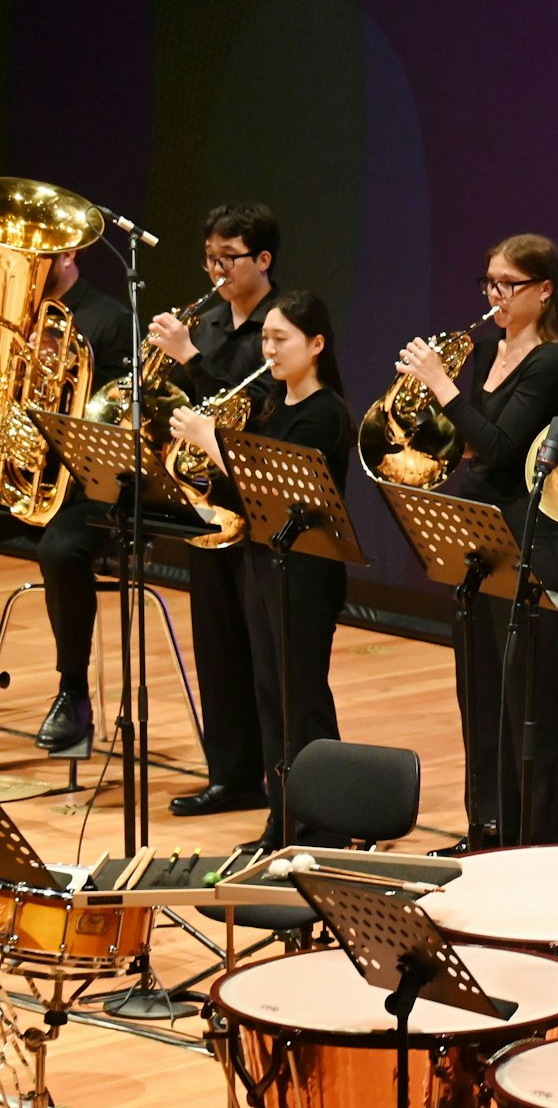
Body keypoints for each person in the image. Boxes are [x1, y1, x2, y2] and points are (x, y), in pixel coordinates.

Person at [400, 233, 558, 848]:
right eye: (490, 283)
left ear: (544, 290)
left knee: (527, 705)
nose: (495, 296)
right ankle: (488, 830)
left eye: (509, 285)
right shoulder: (486, 349)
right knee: (478, 693)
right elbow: (469, 442)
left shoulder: (554, 361)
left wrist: (444, 389)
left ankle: (541, 842)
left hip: (527, 536)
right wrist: (422, 418)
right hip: (475, 537)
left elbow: (502, 451)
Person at [169, 291, 352, 851]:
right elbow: (242, 490)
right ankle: (284, 819)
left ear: (316, 345)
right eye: (266, 338)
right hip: (262, 562)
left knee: (303, 702)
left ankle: (327, 819)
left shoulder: (324, 414)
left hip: (307, 575)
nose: (269, 349)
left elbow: (269, 486)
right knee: (272, 698)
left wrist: (212, 442)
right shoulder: (273, 404)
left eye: (281, 339)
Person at [147, 205, 282, 817]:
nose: (216, 270)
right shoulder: (210, 324)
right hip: (207, 507)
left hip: (258, 507)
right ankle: (231, 775)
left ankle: (280, 777)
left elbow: (243, 410)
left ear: (262, 260)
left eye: (228, 258)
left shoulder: (279, 330)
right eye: (210, 258)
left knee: (262, 651)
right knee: (218, 647)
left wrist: (187, 357)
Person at [0, 247, 133, 755]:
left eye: (39, 252)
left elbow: (119, 422)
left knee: (59, 551)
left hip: (88, 491)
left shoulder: (110, 321)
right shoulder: (15, 313)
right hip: (22, 479)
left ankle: (73, 694)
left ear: (69, 252)